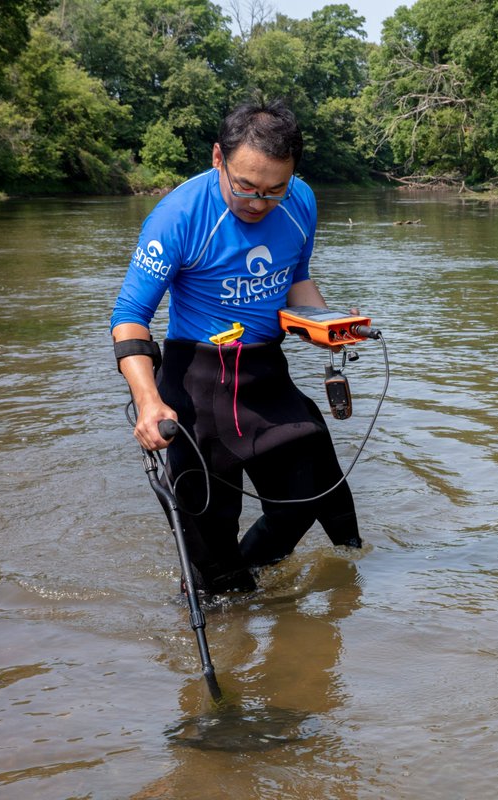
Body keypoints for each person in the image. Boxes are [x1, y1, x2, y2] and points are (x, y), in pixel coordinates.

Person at [110, 99, 362, 595]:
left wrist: (330, 327)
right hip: (199, 382)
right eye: (245, 186)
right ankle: (219, 588)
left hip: (266, 375)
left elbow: (297, 280)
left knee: (307, 497)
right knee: (209, 542)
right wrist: (148, 401)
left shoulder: (302, 201)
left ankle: (246, 578)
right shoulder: (178, 216)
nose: (258, 202)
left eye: (274, 190)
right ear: (217, 159)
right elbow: (129, 318)